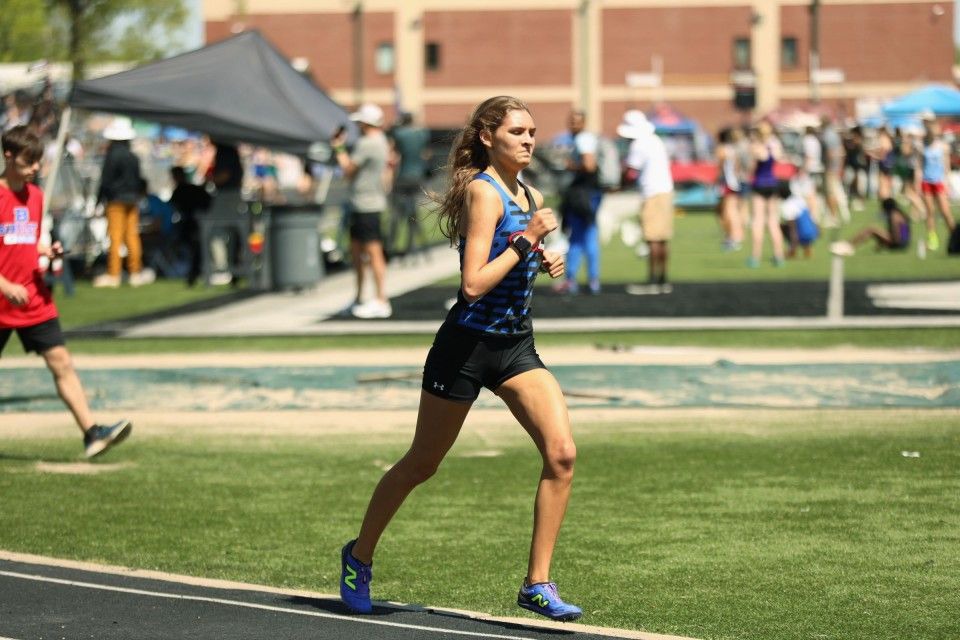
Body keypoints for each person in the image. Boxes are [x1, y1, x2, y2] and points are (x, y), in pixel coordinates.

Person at [337, 96, 580, 622]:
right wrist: (528, 240)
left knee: (561, 454)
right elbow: (472, 285)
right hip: (466, 348)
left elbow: (516, 264)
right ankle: (358, 557)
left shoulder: (530, 193)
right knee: (423, 463)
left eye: (533, 131)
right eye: (517, 130)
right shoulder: (483, 192)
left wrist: (544, 257)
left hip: (514, 345)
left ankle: (537, 583)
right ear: (489, 137)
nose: (529, 139)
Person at [0, 126, 131, 458]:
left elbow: (24, 240)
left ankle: (92, 433)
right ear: (8, 157)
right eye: (29, 163)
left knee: (61, 361)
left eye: (38, 163)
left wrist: (47, 250)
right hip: (3, 298)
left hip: (34, 297)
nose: (35, 170)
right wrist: (5, 285)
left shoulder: (36, 196)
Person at [331, 103, 392, 319]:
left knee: (373, 253)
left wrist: (338, 148)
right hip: (365, 203)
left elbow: (348, 170)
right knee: (357, 252)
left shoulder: (368, 143)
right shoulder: (381, 141)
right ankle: (360, 298)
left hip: (367, 205)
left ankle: (381, 300)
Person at [619, 110, 675, 293]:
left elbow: (630, 173)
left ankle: (653, 281)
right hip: (665, 192)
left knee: (652, 238)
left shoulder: (640, 144)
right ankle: (662, 280)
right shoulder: (655, 140)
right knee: (662, 238)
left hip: (653, 194)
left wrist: (617, 185)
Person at [93, 117, 152, 287]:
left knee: (116, 237)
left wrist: (99, 201)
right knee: (132, 236)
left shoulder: (112, 156)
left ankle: (114, 274)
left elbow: (105, 181)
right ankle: (135, 272)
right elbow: (140, 181)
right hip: (132, 200)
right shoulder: (133, 157)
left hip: (116, 201)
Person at [554, 109, 602, 295]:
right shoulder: (583, 139)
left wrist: (570, 166)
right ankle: (592, 280)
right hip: (590, 193)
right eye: (571, 121)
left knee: (579, 236)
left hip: (583, 195)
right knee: (587, 235)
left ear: (584, 123)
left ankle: (573, 279)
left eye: (577, 121)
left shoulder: (583, 140)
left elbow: (588, 165)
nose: (573, 124)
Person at [388, 111, 431, 259]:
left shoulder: (399, 133)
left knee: (397, 214)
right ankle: (412, 245)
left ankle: (392, 247)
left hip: (403, 177)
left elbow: (393, 149)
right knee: (413, 214)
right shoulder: (421, 134)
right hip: (417, 177)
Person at [746, 120, 786, 268]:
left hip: (759, 185)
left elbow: (751, 168)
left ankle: (755, 257)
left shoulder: (756, 147)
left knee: (757, 221)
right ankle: (779, 256)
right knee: (773, 221)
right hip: (772, 185)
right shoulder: (774, 146)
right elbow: (778, 159)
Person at [168, 165, 212, 286]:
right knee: (196, 250)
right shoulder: (192, 188)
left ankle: (193, 272)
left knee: (194, 249)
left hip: (191, 226)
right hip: (198, 224)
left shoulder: (181, 190)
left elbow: (172, 208)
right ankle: (194, 272)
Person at [919, 115, 957, 252]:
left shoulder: (943, 146)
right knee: (930, 211)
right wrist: (918, 182)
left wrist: (948, 182)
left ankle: (955, 235)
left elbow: (946, 167)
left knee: (945, 211)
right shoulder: (923, 146)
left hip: (939, 181)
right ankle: (932, 238)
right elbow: (920, 166)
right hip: (926, 181)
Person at [830, 197, 910, 256]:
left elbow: (896, 234)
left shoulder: (894, 216)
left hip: (898, 243)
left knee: (871, 229)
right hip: (904, 243)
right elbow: (904, 232)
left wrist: (888, 242)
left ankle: (849, 246)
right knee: (874, 230)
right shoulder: (899, 214)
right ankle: (849, 245)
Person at [715, 126, 744, 252]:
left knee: (727, 212)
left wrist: (717, 180)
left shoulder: (722, 149)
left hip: (727, 183)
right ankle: (735, 236)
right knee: (732, 211)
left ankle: (733, 237)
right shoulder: (733, 149)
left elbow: (720, 167)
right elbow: (737, 167)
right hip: (734, 182)